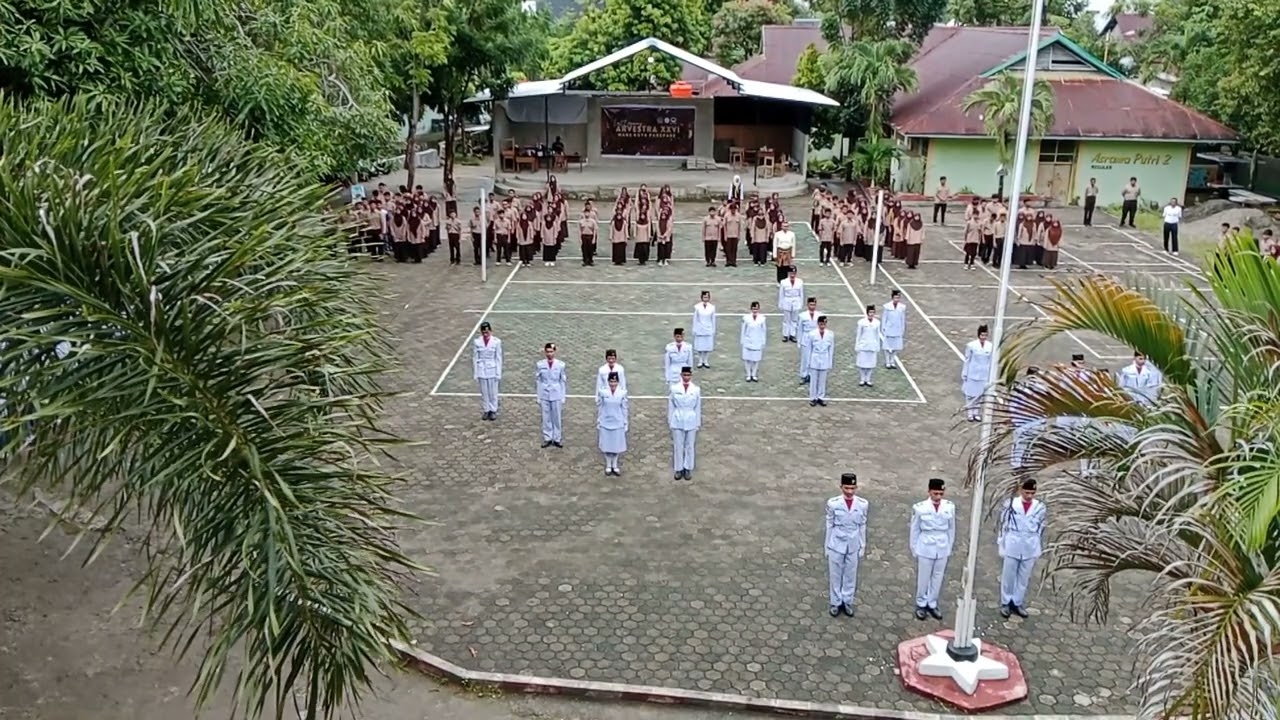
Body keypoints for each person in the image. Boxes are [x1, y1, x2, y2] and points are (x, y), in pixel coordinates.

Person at [997, 479, 1047, 619]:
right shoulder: (1011, 504)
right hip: (1013, 541)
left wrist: (1038, 544)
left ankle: (1017, 602)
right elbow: (1003, 524)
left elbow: (1041, 527)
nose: (1029, 496)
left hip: (1030, 544)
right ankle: (1006, 601)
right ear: (1021, 490)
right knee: (1009, 575)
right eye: (1027, 492)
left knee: (1024, 577)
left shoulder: (1040, 507)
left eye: (1032, 493)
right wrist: (1001, 543)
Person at [910, 478, 956, 621]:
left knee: (938, 577)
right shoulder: (920, 508)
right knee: (924, 577)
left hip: (942, 545)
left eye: (941, 494)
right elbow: (915, 529)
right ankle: (921, 603)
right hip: (926, 545)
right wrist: (914, 547)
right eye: (935, 493)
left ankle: (932, 602)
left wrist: (949, 546)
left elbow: (951, 528)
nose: (938, 497)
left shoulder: (949, 507)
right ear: (929, 492)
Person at [824, 473, 869, 618]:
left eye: (852, 488)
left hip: (853, 543)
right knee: (836, 573)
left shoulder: (862, 504)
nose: (849, 492)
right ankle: (835, 602)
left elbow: (862, 525)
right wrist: (827, 545)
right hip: (837, 542)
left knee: (850, 574)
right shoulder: (833, 503)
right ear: (841, 487)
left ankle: (847, 601)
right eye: (846, 488)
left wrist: (862, 545)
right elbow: (829, 524)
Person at [668, 366, 702, 481]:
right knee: (678, 446)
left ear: (691, 376)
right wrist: (670, 420)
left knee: (689, 445)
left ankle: (688, 468)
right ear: (681, 375)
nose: (686, 377)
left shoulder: (696, 389)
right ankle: (678, 468)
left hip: (691, 418)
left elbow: (698, 407)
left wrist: (697, 423)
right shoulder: (674, 388)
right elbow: (671, 405)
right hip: (677, 418)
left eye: (688, 375)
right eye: (684, 375)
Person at [534, 343, 567, 448]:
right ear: (545, 352)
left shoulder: (561, 365)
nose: (549, 354)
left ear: (554, 352)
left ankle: (557, 438)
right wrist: (538, 395)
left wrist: (563, 395)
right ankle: (547, 437)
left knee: (556, 417)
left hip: (556, 392)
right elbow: (538, 380)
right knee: (546, 416)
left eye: (551, 351)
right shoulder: (540, 364)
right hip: (544, 393)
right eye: (547, 351)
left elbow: (562, 381)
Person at [596, 372, 629, 477]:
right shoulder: (602, 392)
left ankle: (615, 464)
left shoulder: (622, 393)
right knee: (607, 444)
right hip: (606, 421)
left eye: (615, 381)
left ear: (618, 382)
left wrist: (625, 421)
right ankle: (608, 465)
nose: (613, 383)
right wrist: (599, 419)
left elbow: (624, 408)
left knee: (616, 445)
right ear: (608, 381)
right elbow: (600, 407)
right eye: (611, 381)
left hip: (618, 421)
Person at [961, 324, 993, 422]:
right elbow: (967, 360)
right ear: (978, 335)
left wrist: (990, 375)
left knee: (980, 395)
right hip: (972, 372)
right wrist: (965, 373)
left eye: (985, 335)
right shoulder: (971, 345)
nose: (983, 337)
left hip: (984, 374)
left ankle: (976, 413)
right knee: (970, 394)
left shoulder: (990, 346)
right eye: (982, 335)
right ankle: (970, 413)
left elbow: (991, 361)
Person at [472, 321, 503, 421]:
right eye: (484, 332)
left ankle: (493, 410)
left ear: (490, 331)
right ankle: (486, 409)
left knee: (493, 391)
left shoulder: (496, 342)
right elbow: (475, 358)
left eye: (487, 331)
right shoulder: (477, 342)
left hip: (492, 368)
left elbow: (498, 358)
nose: (486, 334)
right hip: (482, 368)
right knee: (484, 391)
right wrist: (476, 372)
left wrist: (498, 372)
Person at [806, 315, 834, 407]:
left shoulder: (830, 334)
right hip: (815, 357)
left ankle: (821, 397)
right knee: (814, 380)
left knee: (822, 380)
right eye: (821, 324)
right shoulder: (812, 334)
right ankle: (813, 398)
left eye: (824, 324)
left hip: (824, 357)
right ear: (818, 324)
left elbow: (831, 349)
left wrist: (830, 362)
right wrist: (808, 362)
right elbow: (809, 348)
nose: (822, 326)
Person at [854, 305, 882, 387]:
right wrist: (857, 345)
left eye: (873, 312)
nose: (871, 314)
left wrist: (878, 346)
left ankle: (868, 379)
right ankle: (862, 378)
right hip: (863, 345)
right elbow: (858, 335)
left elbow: (877, 335)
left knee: (871, 364)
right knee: (862, 363)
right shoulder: (861, 322)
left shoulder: (877, 323)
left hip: (872, 345)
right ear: (867, 313)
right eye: (870, 312)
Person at [740, 301, 767, 382]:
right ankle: (748, 374)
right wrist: (742, 341)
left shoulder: (762, 319)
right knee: (747, 359)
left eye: (756, 308)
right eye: (753, 308)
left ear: (758, 309)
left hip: (757, 341)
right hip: (748, 341)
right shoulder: (746, 318)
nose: (755, 310)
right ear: (751, 309)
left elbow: (764, 331)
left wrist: (763, 341)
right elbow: (743, 330)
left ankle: (754, 374)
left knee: (756, 359)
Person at [777, 266, 804, 343]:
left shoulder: (800, 282)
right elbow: (781, 294)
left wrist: (801, 303)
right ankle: (785, 335)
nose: (792, 275)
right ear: (788, 273)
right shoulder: (783, 282)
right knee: (786, 320)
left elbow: (801, 294)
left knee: (794, 319)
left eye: (794, 273)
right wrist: (781, 304)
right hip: (787, 300)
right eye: (791, 273)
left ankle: (793, 334)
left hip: (796, 301)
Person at [881, 290, 906, 369]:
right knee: (887, 346)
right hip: (889, 328)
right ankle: (887, 361)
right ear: (892, 298)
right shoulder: (887, 306)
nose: (897, 299)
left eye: (898, 298)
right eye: (895, 297)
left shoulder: (902, 307)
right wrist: (883, 327)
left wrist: (902, 328)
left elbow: (903, 318)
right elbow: (884, 317)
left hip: (897, 328)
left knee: (896, 346)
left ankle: (892, 361)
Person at [797, 297, 820, 385]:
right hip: (805, 338)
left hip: (815, 338)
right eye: (811, 304)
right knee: (805, 358)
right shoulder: (802, 315)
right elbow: (800, 329)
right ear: (807, 305)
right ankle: (803, 375)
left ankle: (811, 375)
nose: (812, 306)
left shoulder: (819, 315)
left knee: (813, 358)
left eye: (814, 304)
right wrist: (799, 341)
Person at [691, 291, 717, 369]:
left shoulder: (712, 307)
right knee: (700, 346)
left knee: (707, 346)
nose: (706, 299)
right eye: (704, 297)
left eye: (707, 297)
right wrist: (694, 329)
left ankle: (705, 360)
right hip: (699, 328)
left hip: (708, 328)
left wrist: (713, 329)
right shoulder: (697, 307)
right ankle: (700, 360)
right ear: (702, 297)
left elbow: (713, 319)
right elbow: (695, 319)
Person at [579, 202, 598, 266]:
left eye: (588, 213)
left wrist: (594, 238)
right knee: (584, 249)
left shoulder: (592, 221)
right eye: (585, 213)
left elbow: (595, 230)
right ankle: (585, 260)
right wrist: (579, 238)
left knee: (590, 249)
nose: (587, 214)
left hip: (590, 236)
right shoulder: (581, 221)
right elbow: (579, 230)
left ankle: (590, 260)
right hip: (584, 236)